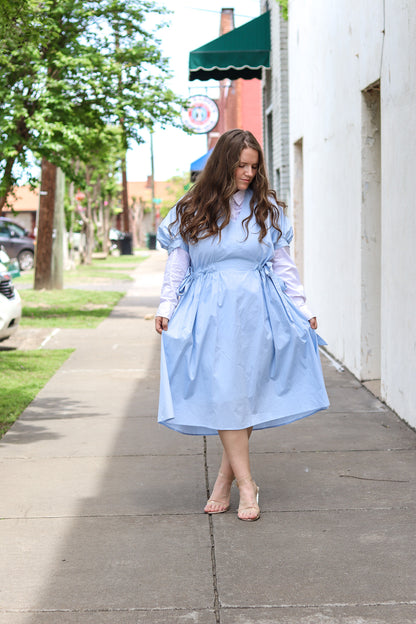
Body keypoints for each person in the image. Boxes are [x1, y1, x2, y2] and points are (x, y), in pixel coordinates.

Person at [155, 129, 329, 522]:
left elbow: (284, 266)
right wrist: (167, 304)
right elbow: (178, 263)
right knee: (228, 392)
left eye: (254, 166)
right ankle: (247, 485)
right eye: (241, 165)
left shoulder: (266, 208)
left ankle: (224, 480)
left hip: (258, 307)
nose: (249, 173)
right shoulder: (191, 207)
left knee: (243, 393)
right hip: (209, 309)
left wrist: (302, 309)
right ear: (223, 164)